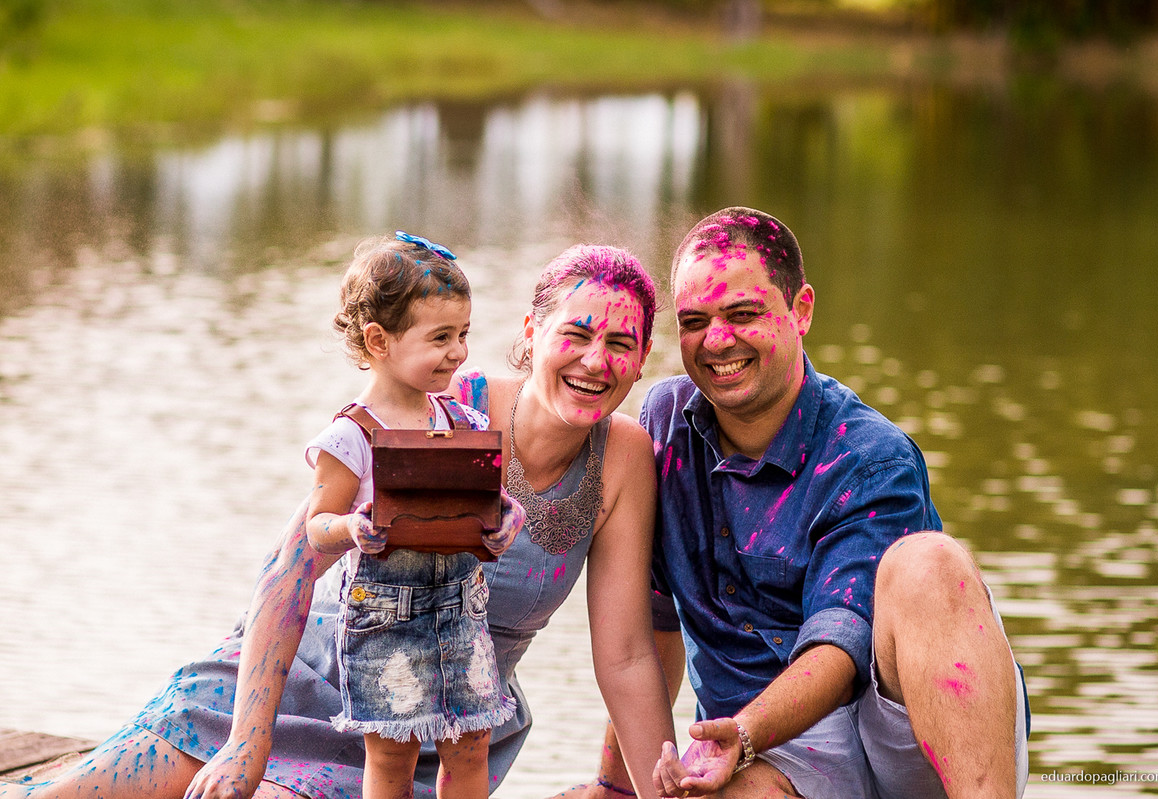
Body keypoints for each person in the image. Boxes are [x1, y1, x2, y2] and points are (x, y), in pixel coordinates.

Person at [0, 244, 676, 799]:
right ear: (532, 334)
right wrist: (247, 740)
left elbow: (625, 654)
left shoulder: (621, 457)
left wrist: (658, 792)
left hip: (423, 720)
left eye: (621, 342)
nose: (597, 360)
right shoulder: (444, 404)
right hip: (291, 672)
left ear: (643, 356)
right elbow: (289, 567)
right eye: (577, 333)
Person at [574, 207, 1029, 799]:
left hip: (900, 728)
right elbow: (652, 631)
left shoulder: (869, 456)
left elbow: (839, 652)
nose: (717, 340)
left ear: (802, 311)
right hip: (767, 749)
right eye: (695, 320)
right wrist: (614, 786)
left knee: (929, 564)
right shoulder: (664, 430)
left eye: (743, 314)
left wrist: (744, 731)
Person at [302, 231, 518, 799]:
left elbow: (492, 502)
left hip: (462, 614)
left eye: (464, 334)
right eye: (441, 337)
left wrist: (505, 521)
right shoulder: (352, 436)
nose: (459, 352)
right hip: (385, 619)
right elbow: (316, 528)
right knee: (393, 755)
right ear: (379, 339)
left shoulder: (462, 422)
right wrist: (351, 527)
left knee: (472, 747)